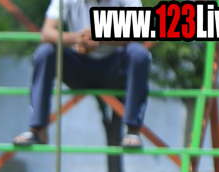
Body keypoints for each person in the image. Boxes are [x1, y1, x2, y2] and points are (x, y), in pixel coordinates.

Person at [12, 0, 151, 149]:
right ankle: (38, 129)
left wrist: (100, 37)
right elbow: (46, 32)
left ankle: (133, 131)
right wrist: (80, 39)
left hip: (114, 70)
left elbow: (140, 34)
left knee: (139, 53)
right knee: (44, 52)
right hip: (79, 67)